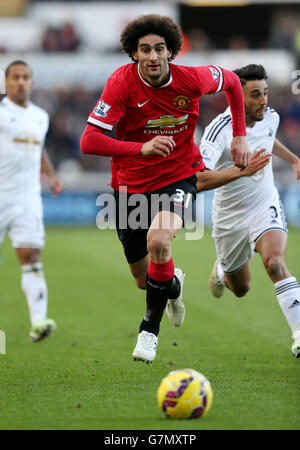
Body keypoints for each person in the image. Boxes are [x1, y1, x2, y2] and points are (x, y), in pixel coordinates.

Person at [80, 14, 252, 364]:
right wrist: (138, 148)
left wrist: (239, 134)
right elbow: (88, 141)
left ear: (171, 51)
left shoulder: (193, 79)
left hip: (178, 175)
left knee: (159, 241)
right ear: (134, 54)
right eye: (145, 50)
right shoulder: (120, 83)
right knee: (146, 280)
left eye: (160, 48)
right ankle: (173, 284)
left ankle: (148, 332)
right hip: (129, 185)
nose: (153, 56)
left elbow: (233, 82)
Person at [197, 64, 300, 359]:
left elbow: (269, 138)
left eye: (265, 93)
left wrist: (292, 158)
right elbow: (198, 179)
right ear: (236, 98)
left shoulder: (271, 117)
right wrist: (242, 173)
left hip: (263, 203)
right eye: (255, 95)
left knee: (275, 264)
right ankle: (220, 270)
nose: (264, 101)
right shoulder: (218, 130)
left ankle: (298, 333)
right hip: (229, 217)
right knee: (240, 288)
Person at [0, 60, 64, 342]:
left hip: (27, 198)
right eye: (15, 77)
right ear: (6, 82)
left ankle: (39, 321)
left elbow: (38, 149)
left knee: (31, 258)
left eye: (25, 77)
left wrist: (52, 176)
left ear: (32, 82)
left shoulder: (40, 116)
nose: (21, 82)